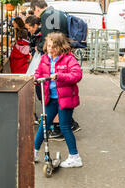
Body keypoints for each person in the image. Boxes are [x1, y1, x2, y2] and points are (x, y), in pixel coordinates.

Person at [31, 0, 81, 137]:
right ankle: (68, 123)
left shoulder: (46, 15)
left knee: (50, 91)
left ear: (36, 8)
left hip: (55, 57)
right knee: (62, 91)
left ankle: (59, 127)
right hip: (65, 54)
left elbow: (48, 39)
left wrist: (40, 47)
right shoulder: (61, 13)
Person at [34, 32, 83, 168]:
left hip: (65, 99)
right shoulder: (45, 58)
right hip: (50, 98)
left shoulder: (68, 59)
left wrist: (60, 76)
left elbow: (77, 75)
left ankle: (75, 157)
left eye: (54, 47)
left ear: (61, 47)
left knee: (64, 126)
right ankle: (34, 152)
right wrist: (35, 79)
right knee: (44, 124)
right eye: (48, 46)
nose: (50, 49)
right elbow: (39, 73)